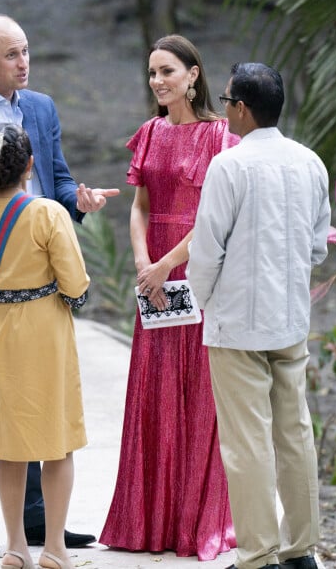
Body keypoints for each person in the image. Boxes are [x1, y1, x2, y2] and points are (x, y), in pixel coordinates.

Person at [0, 14, 118, 559]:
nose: (24, 63)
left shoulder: (42, 109)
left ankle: (37, 524)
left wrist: (74, 205)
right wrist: (7, 246)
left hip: (43, 280)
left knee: (38, 399)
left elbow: (55, 181)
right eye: (11, 54)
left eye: (27, 51)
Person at [99, 35, 238, 560]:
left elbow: (212, 218)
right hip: (153, 277)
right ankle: (147, 522)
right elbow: (140, 205)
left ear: (193, 75)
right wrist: (142, 262)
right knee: (154, 387)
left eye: (167, 72)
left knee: (198, 390)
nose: (157, 81)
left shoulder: (220, 137)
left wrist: (165, 264)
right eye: (152, 72)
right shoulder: (151, 132)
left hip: (193, 273)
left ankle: (194, 522)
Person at [187, 63, 330, 569]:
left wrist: (204, 304)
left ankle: (258, 556)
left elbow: (206, 253)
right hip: (290, 320)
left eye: (225, 101)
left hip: (237, 325)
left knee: (247, 442)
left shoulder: (230, 166)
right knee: (294, 432)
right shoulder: (311, 163)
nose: (224, 109)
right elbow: (317, 251)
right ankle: (301, 551)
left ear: (240, 109)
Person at [0, 122, 89, 569]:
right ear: (30, 165)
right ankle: (53, 547)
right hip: (45, 335)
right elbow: (76, 284)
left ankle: (14, 547)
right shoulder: (48, 215)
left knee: (8, 447)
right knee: (56, 444)